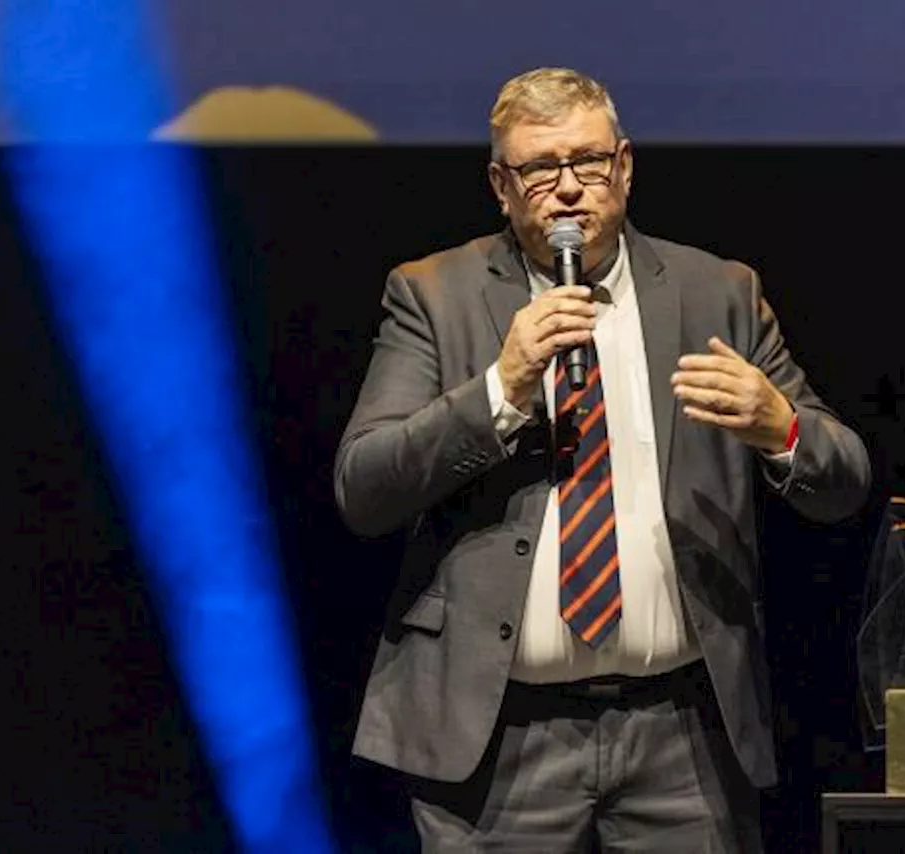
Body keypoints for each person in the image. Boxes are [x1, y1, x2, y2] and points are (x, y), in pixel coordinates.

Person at [334, 67, 871, 852]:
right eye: (540, 169)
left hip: (682, 733)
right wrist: (500, 389)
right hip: (497, 737)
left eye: (587, 163)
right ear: (502, 186)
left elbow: (844, 481)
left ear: (623, 167)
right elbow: (365, 488)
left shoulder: (716, 291)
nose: (568, 190)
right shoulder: (433, 296)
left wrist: (780, 427)